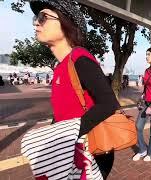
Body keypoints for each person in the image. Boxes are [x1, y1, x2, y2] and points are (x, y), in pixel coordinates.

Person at [24, 0, 119, 179]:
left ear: (66, 22)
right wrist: (52, 135)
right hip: (71, 151)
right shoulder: (61, 66)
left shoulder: (79, 58)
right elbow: (63, 111)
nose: (36, 22)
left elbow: (109, 103)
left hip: (91, 152)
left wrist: (66, 133)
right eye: (36, 18)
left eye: (43, 17)